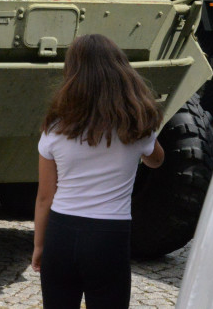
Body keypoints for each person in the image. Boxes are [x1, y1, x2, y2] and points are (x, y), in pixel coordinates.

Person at [32, 34, 165, 309]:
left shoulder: (55, 128)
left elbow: (45, 196)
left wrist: (39, 246)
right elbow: (157, 160)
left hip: (62, 232)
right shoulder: (137, 126)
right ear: (121, 72)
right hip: (109, 237)